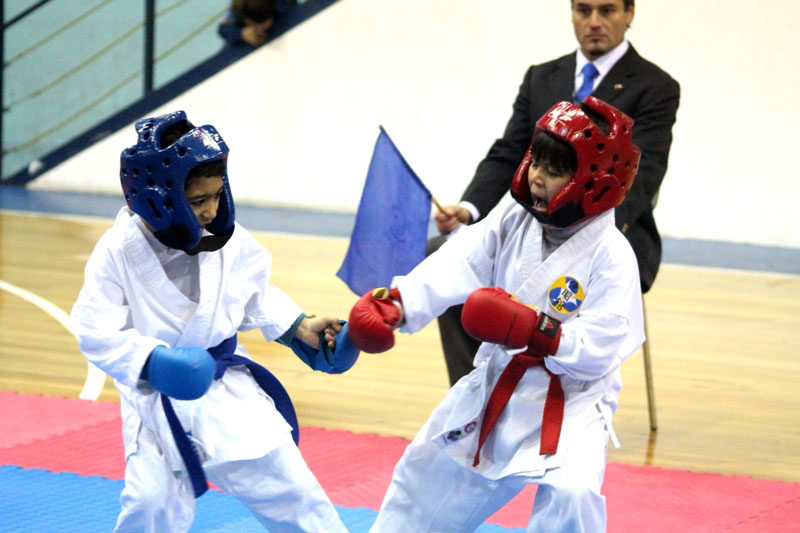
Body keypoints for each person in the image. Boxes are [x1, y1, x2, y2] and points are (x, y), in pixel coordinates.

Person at [348, 97, 645, 532]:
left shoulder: (613, 256)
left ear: (595, 183)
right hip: (497, 378)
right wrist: (398, 301)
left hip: (574, 399)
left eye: (554, 169)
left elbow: (602, 347)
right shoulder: (514, 214)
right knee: (423, 476)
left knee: (573, 495)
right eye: (536, 162)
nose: (537, 177)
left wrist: (538, 330)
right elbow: (463, 258)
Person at [70, 110, 357, 532]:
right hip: (157, 397)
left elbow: (256, 294)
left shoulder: (229, 241)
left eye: (216, 195)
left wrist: (299, 327)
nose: (211, 211)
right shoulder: (117, 251)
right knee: (151, 506)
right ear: (157, 197)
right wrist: (152, 362)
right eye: (198, 200)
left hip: (227, 387)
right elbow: (94, 329)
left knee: (292, 489)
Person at [432, 0, 680, 385]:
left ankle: (552, 397)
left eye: (607, 11)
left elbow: (641, 179)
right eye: (583, 10)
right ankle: (474, 393)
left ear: (629, 14)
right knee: (443, 251)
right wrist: (468, 209)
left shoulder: (656, 87)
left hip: (609, 235)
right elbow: (509, 152)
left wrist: (573, 229)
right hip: (534, 228)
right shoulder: (542, 77)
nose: (594, 22)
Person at [218, 0, 293, 47]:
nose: (260, 29)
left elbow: (292, 8)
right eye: (255, 25)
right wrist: (241, 33)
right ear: (246, 20)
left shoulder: (282, 3)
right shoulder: (236, 7)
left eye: (264, 24)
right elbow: (222, 29)